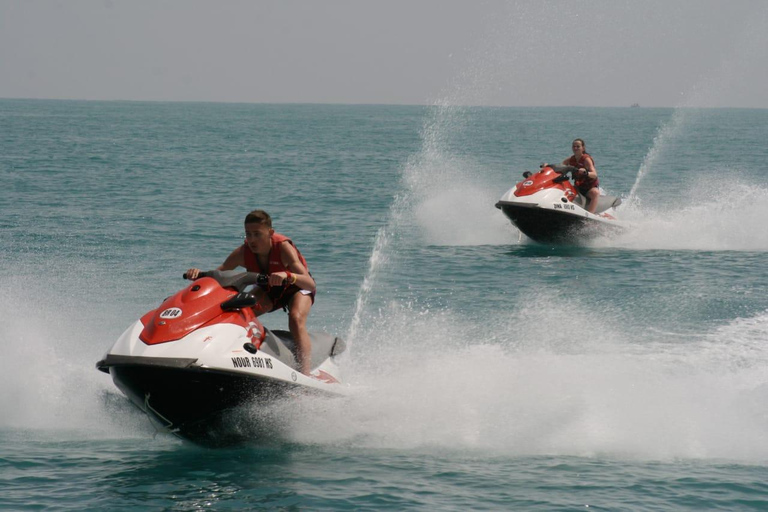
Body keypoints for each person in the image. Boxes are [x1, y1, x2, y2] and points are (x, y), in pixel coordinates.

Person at [185, 210, 316, 375]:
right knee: (239, 314)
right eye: (248, 234)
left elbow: (310, 284)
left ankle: (305, 373)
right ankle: (227, 354)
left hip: (297, 287)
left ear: (270, 233)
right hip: (270, 290)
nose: (252, 240)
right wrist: (197, 274)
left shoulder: (283, 248)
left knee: (296, 318)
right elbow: (219, 275)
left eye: (257, 234)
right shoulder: (242, 253)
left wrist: (288, 275)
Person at [542, 138, 601, 213]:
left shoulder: (586, 159)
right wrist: (548, 166)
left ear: (583, 148)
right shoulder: (571, 159)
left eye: (578, 146)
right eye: (574, 146)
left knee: (595, 193)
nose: (575, 148)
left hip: (589, 188)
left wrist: (586, 172)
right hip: (578, 187)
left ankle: (589, 215)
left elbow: (594, 174)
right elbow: (560, 166)